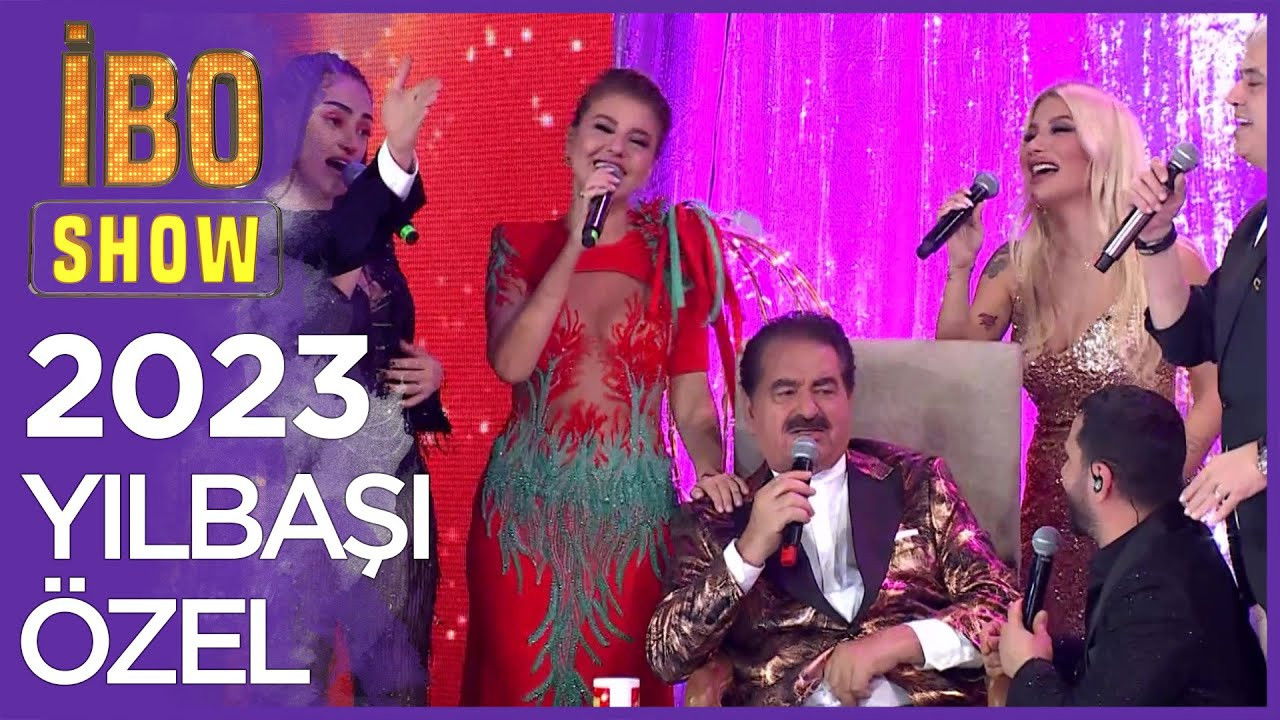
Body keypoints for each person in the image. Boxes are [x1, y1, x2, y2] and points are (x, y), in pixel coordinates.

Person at [462, 68, 744, 706]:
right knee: (519, 686)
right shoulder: (518, 244)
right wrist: (574, 243)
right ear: (570, 142)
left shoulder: (677, 253)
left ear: (651, 164)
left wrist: (709, 468)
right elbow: (511, 363)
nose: (616, 149)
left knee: (617, 691)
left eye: (637, 141)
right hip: (525, 514)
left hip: (630, 521)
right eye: (603, 129)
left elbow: (691, 400)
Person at [932, 82, 1221, 648]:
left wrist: (1161, 488)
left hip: (1142, 515)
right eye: (1029, 134)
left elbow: (1213, 394)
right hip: (1050, 512)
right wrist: (960, 267)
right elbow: (956, 370)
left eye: (1060, 129)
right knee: (1049, 656)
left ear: (1103, 147)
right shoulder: (1016, 266)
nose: (1035, 145)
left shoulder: (1168, 259)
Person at [645, 312, 1017, 706]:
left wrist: (896, 643)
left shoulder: (916, 482)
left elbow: (1000, 602)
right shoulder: (718, 517)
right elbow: (667, 657)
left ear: (848, 399)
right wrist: (747, 552)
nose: (808, 409)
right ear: (751, 412)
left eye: (824, 389)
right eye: (786, 392)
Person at [239, 51, 449, 705]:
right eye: (335, 120)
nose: (353, 141)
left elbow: (374, 328)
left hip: (386, 481)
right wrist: (398, 151)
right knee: (288, 682)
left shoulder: (365, 229)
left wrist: (427, 375)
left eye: (364, 128)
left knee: (396, 681)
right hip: (290, 489)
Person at [983, 384, 1266, 706]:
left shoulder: (1158, 591)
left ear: (1099, 479)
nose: (1062, 473)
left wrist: (1028, 669)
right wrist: (1033, 652)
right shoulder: (1170, 542)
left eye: (1069, 459)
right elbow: (1121, 672)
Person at [1128, 19, 1268, 628]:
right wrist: (1157, 238)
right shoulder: (1257, 226)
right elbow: (1190, 336)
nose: (1233, 97)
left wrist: (1264, 461)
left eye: (1254, 82)